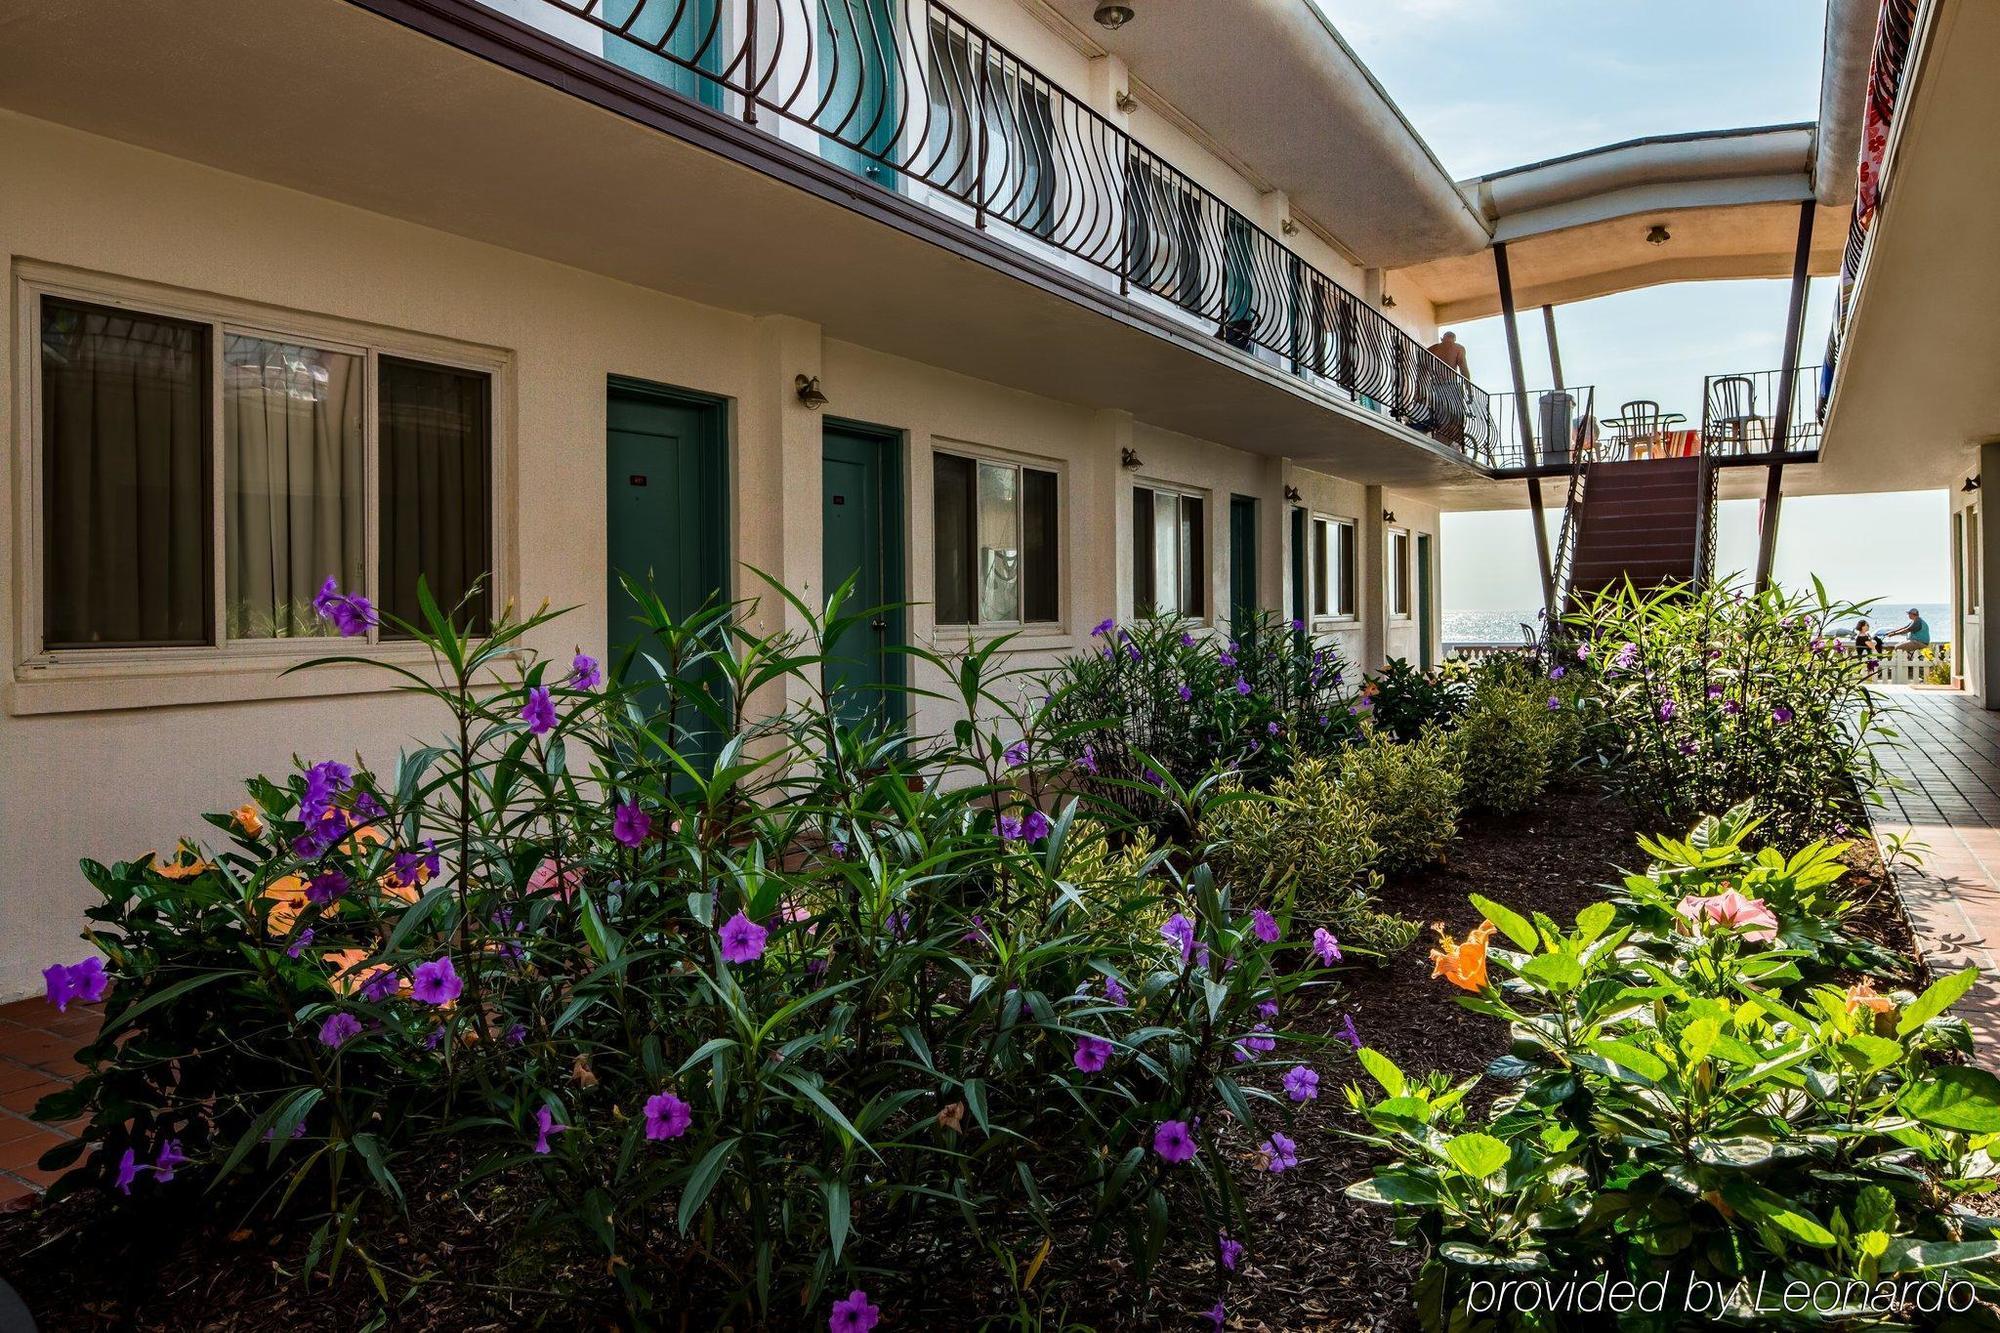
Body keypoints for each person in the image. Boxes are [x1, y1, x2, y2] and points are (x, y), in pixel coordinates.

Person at [1424, 331, 1469, 447]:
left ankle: (1439, 443)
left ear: (1442, 338)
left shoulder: (1433, 348)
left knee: (1441, 417)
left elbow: (1424, 366)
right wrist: (1469, 391)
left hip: (1436, 386)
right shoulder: (1458, 348)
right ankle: (1456, 445)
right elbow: (1464, 369)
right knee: (1457, 416)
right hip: (1451, 386)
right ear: (1454, 339)